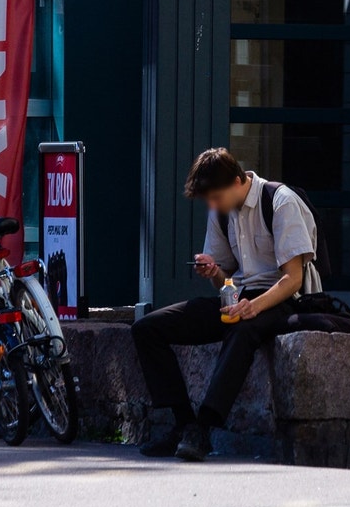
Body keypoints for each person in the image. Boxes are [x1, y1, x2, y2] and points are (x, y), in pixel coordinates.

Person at [130, 148, 320, 462]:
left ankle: (204, 427)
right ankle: (183, 424)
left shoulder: (280, 202)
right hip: (239, 296)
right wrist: (215, 273)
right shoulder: (220, 211)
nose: (212, 205)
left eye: (216, 197)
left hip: (282, 299)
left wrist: (254, 306)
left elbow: (293, 279)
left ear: (237, 181)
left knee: (243, 329)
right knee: (147, 328)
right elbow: (226, 283)